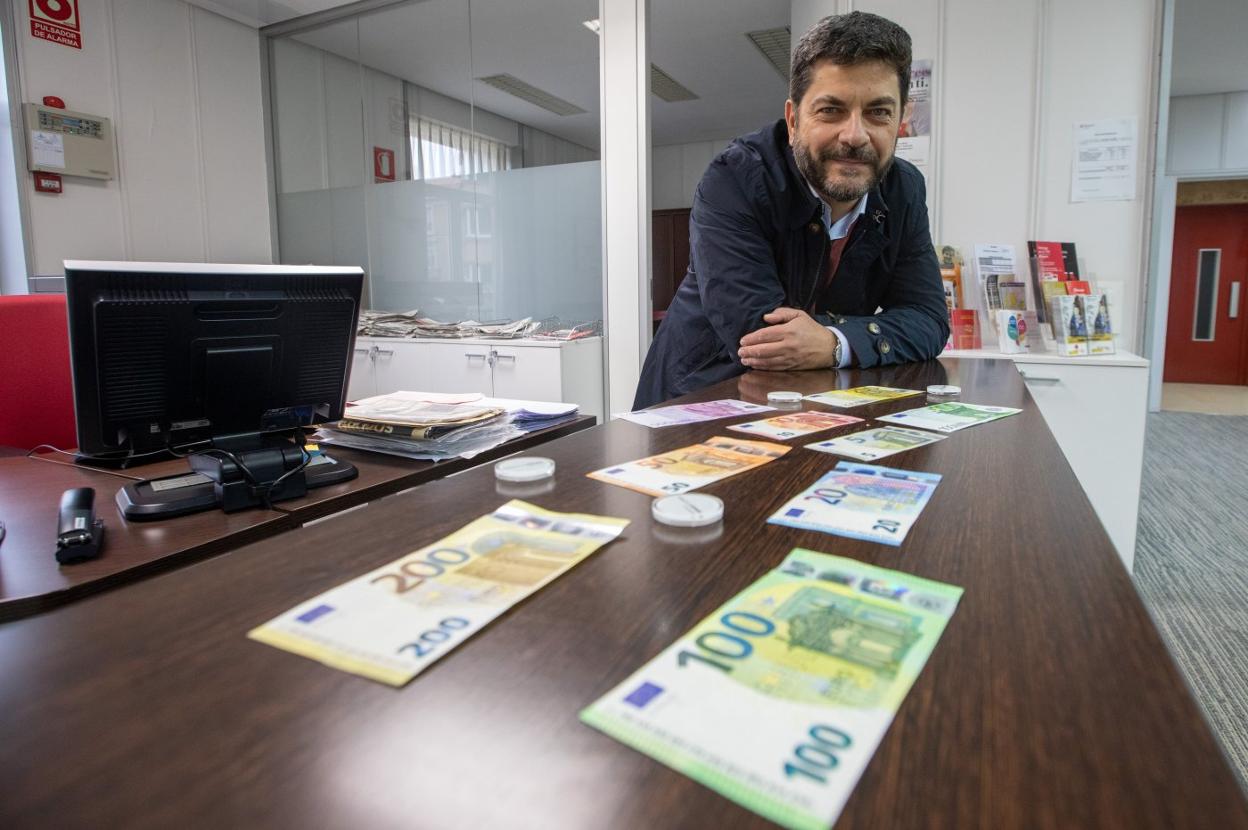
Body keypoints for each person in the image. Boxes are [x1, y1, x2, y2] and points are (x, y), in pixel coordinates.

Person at [634, 11, 948, 410]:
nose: (854, 135)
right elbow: (761, 338)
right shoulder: (734, 178)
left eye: (878, 112)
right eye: (831, 110)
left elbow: (930, 320)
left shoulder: (904, 189)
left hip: (814, 408)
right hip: (699, 397)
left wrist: (833, 342)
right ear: (794, 120)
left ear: (900, 121)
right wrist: (862, 338)